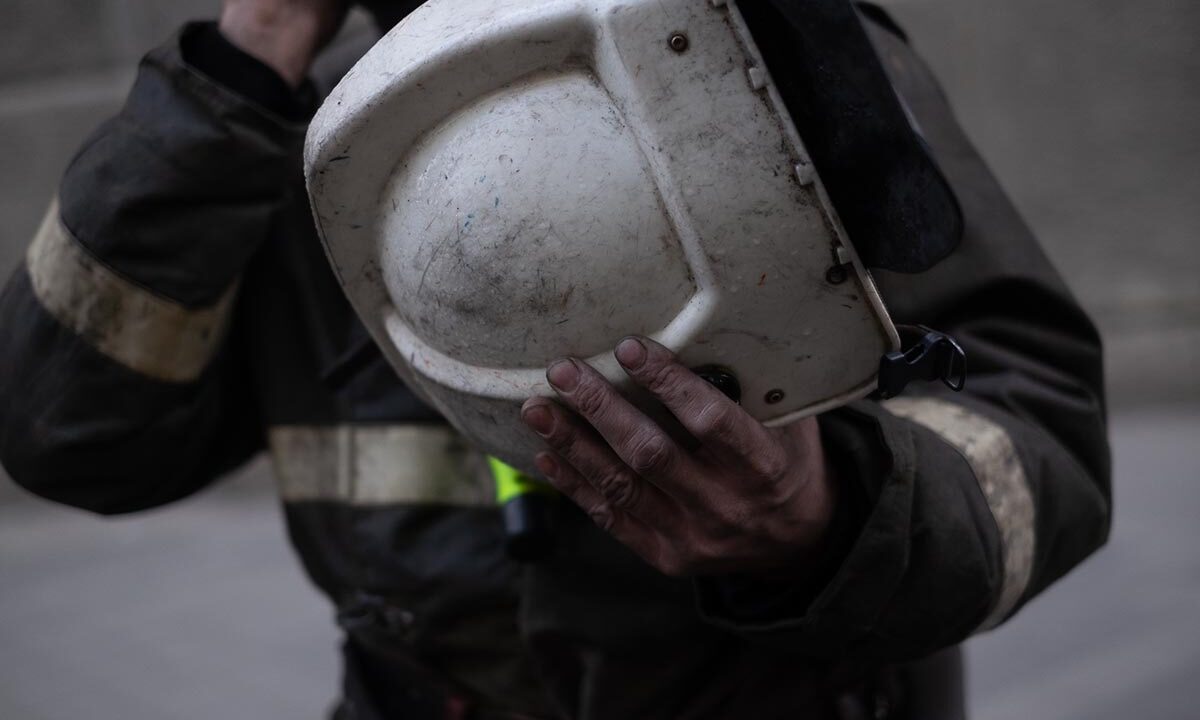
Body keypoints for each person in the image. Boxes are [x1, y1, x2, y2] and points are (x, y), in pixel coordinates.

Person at [0, 1, 1111, 718]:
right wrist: (237, 72)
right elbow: (68, 435)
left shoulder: (744, 46)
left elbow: (1041, 422)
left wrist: (832, 518)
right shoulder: (298, 138)